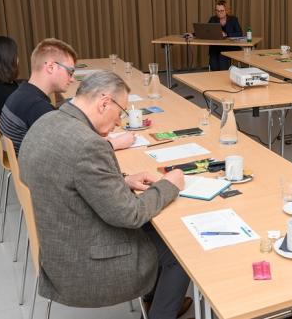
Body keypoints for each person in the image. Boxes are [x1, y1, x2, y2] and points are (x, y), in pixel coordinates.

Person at [19, 71, 191, 317]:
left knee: (156, 231)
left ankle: (156, 300)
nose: (120, 122)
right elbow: (130, 215)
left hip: (58, 247)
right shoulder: (89, 145)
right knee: (180, 251)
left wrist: (122, 180)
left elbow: (69, 176)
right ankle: (162, 312)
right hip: (86, 263)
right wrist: (170, 184)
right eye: (120, 112)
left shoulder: (46, 121)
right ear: (104, 103)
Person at [0, 38, 134, 153]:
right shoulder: (38, 108)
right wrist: (115, 144)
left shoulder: (23, 93)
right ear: (51, 67)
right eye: (70, 72)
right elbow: (75, 152)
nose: (72, 79)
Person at [207, 0, 243, 70]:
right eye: (217, 10)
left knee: (222, 64)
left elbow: (239, 33)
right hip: (216, 47)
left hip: (229, 47)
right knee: (214, 66)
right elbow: (206, 31)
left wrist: (226, 34)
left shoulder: (233, 19)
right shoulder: (213, 19)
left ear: (226, 10)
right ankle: (215, 80)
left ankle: (223, 78)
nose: (219, 12)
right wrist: (193, 34)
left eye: (221, 11)